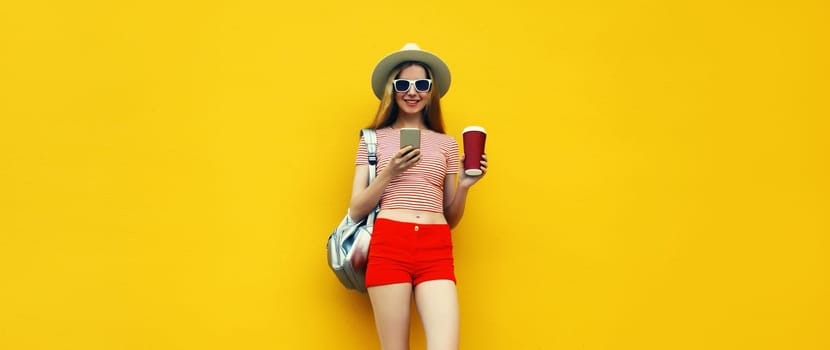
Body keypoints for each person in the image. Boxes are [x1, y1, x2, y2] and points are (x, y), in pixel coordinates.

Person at [347, 43, 488, 350]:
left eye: (421, 84)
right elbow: (356, 209)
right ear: (392, 90)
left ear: (430, 92)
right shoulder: (374, 139)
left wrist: (463, 185)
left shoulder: (447, 144)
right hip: (390, 242)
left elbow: (451, 219)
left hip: (435, 244)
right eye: (403, 84)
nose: (412, 92)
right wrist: (390, 172)